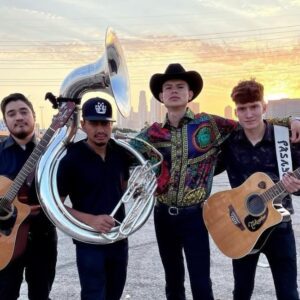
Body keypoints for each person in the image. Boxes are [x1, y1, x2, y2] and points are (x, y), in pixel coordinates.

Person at [130, 63, 300, 300]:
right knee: (186, 283)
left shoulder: (214, 125)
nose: (248, 113)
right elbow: (127, 154)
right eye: (168, 87)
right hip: (187, 218)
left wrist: (292, 120)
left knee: (206, 283)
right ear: (161, 96)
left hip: (244, 223)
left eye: (181, 86)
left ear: (190, 94)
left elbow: (253, 122)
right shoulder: (155, 134)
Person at [216, 79, 300, 300]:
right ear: (236, 112)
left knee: (289, 294)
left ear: (264, 107)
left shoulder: (285, 139)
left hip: (279, 229)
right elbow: (206, 172)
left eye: (254, 106)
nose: (249, 114)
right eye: (242, 109)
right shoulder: (230, 143)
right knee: (241, 292)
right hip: (241, 228)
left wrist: (296, 186)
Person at [57, 97, 133, 300]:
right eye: (94, 123)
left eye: (105, 123)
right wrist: (90, 219)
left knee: (114, 294)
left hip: (118, 238)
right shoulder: (71, 158)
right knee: (94, 295)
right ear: (83, 125)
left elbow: (124, 188)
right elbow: (56, 206)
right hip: (88, 242)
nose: (100, 129)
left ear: (111, 125)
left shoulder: (120, 153)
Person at [0, 93, 58, 300]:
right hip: (5, 240)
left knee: (41, 295)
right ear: (5, 120)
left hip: (43, 238)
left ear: (34, 116)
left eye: (24, 111)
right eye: (11, 113)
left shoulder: (52, 153)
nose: (18, 117)